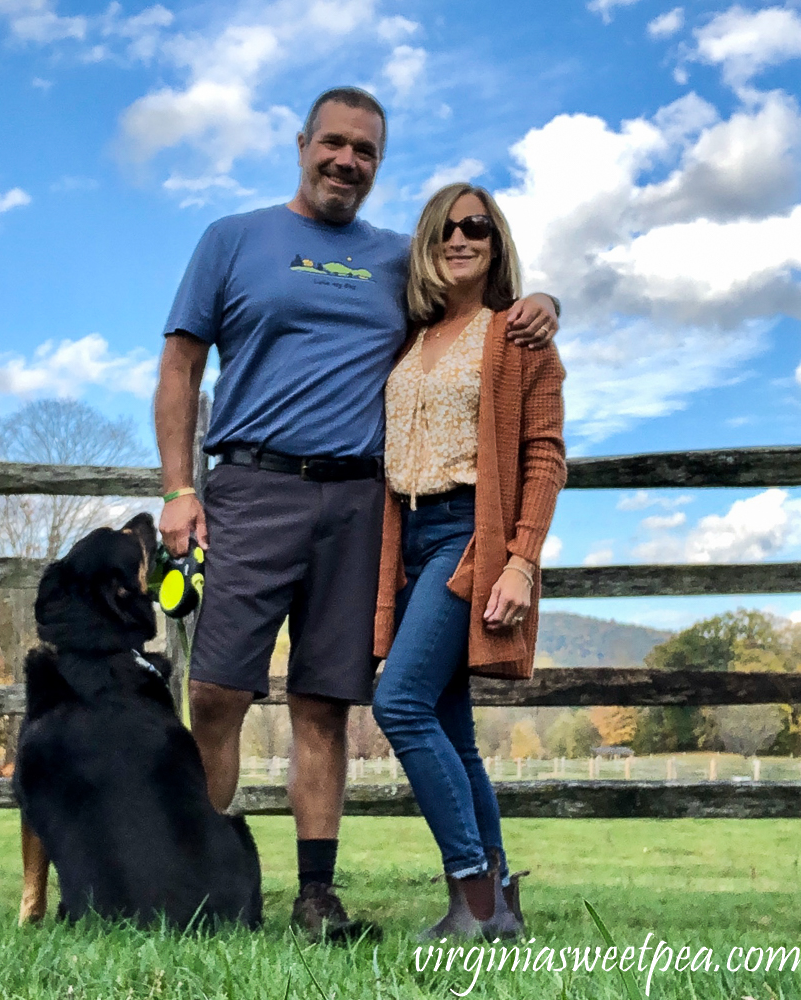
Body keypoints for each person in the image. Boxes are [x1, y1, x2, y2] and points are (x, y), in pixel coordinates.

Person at [154, 87, 560, 940]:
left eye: (365, 151)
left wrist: (545, 304)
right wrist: (178, 490)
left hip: (363, 504)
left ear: (379, 164)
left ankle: (316, 897)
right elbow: (181, 370)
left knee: (325, 702)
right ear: (302, 143)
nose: (346, 160)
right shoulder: (233, 239)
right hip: (254, 486)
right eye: (333, 143)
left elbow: (477, 330)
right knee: (219, 689)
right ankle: (191, 886)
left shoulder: (395, 263)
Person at [371, 182, 567, 940]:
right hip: (409, 538)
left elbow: (545, 457)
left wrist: (520, 560)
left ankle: (470, 893)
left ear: (497, 241)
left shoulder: (516, 337)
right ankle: (503, 903)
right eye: (446, 227)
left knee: (400, 703)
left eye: (477, 226)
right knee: (451, 730)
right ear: (427, 241)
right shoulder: (408, 338)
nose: (461, 237)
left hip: (468, 531)